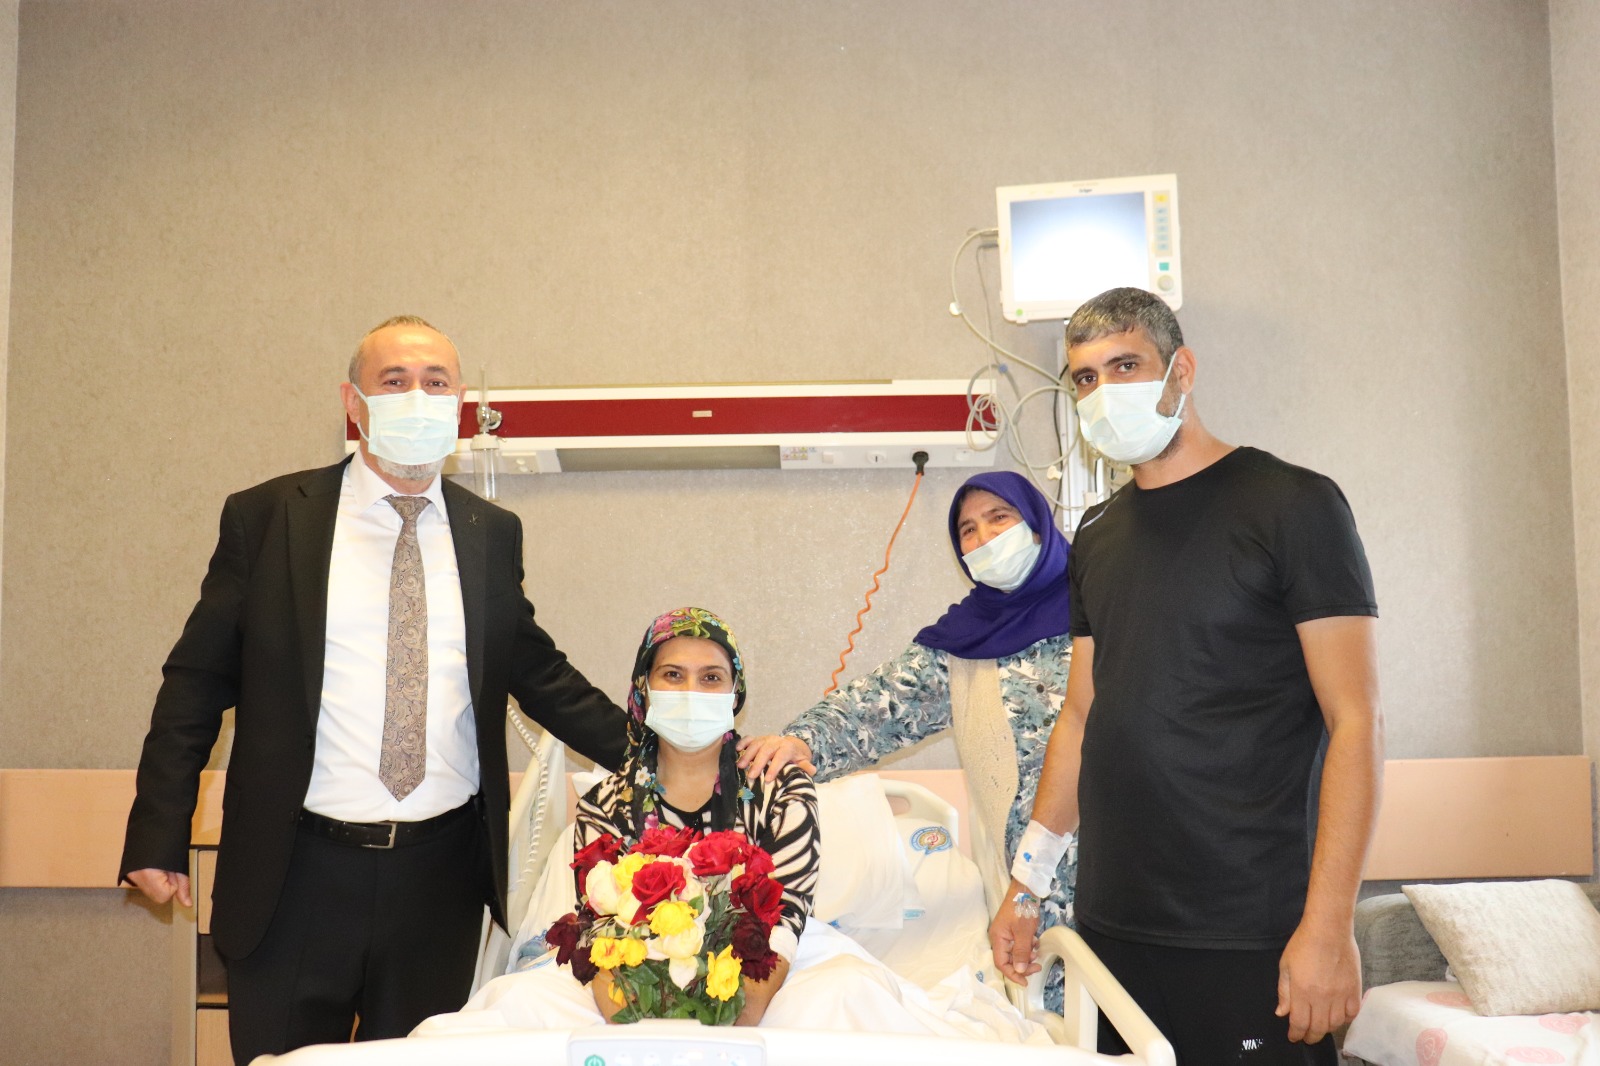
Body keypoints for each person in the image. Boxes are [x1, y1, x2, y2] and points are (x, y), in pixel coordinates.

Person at [119, 315, 630, 1064]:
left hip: (439, 883)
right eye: (395, 382)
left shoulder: (491, 533)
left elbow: (543, 676)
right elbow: (195, 683)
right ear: (352, 403)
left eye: (436, 383)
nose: (417, 398)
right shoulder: (270, 520)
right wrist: (157, 830)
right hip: (294, 877)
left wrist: (681, 757)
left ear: (460, 405)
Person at [989, 287, 1382, 1064]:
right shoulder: (1097, 535)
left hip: (1247, 926)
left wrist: (1329, 925)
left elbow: (1356, 722)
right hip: (1116, 925)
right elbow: (1081, 717)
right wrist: (1026, 884)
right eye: (1086, 378)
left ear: (1182, 371)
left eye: (1125, 366)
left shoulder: (1292, 506)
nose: (1104, 392)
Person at [738, 471, 1077, 999]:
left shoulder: (1103, 615)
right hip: (1028, 891)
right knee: (1063, 1022)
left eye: (999, 518)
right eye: (967, 530)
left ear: (1037, 525)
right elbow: (879, 705)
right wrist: (802, 741)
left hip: (1132, 868)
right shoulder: (965, 643)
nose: (984, 539)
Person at [571, 606, 818, 1025]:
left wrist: (725, 1037)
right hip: (634, 993)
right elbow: (599, 941)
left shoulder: (780, 790)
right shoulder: (604, 805)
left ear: (735, 693)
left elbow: (783, 927)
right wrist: (644, 1039)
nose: (691, 692)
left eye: (711, 678)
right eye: (672, 675)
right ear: (644, 688)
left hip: (764, 980)